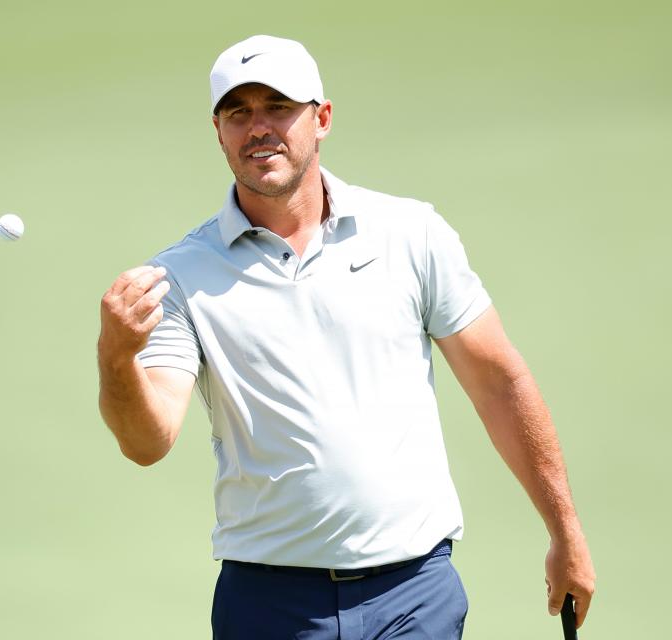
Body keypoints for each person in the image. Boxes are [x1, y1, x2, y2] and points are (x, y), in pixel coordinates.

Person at [97, 34, 595, 639]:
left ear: (322, 118)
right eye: (239, 112)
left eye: (279, 107)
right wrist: (117, 356)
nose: (259, 128)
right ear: (218, 130)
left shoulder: (410, 233)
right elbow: (147, 442)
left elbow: (497, 382)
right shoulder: (180, 275)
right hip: (268, 603)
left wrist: (565, 530)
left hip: (414, 592)